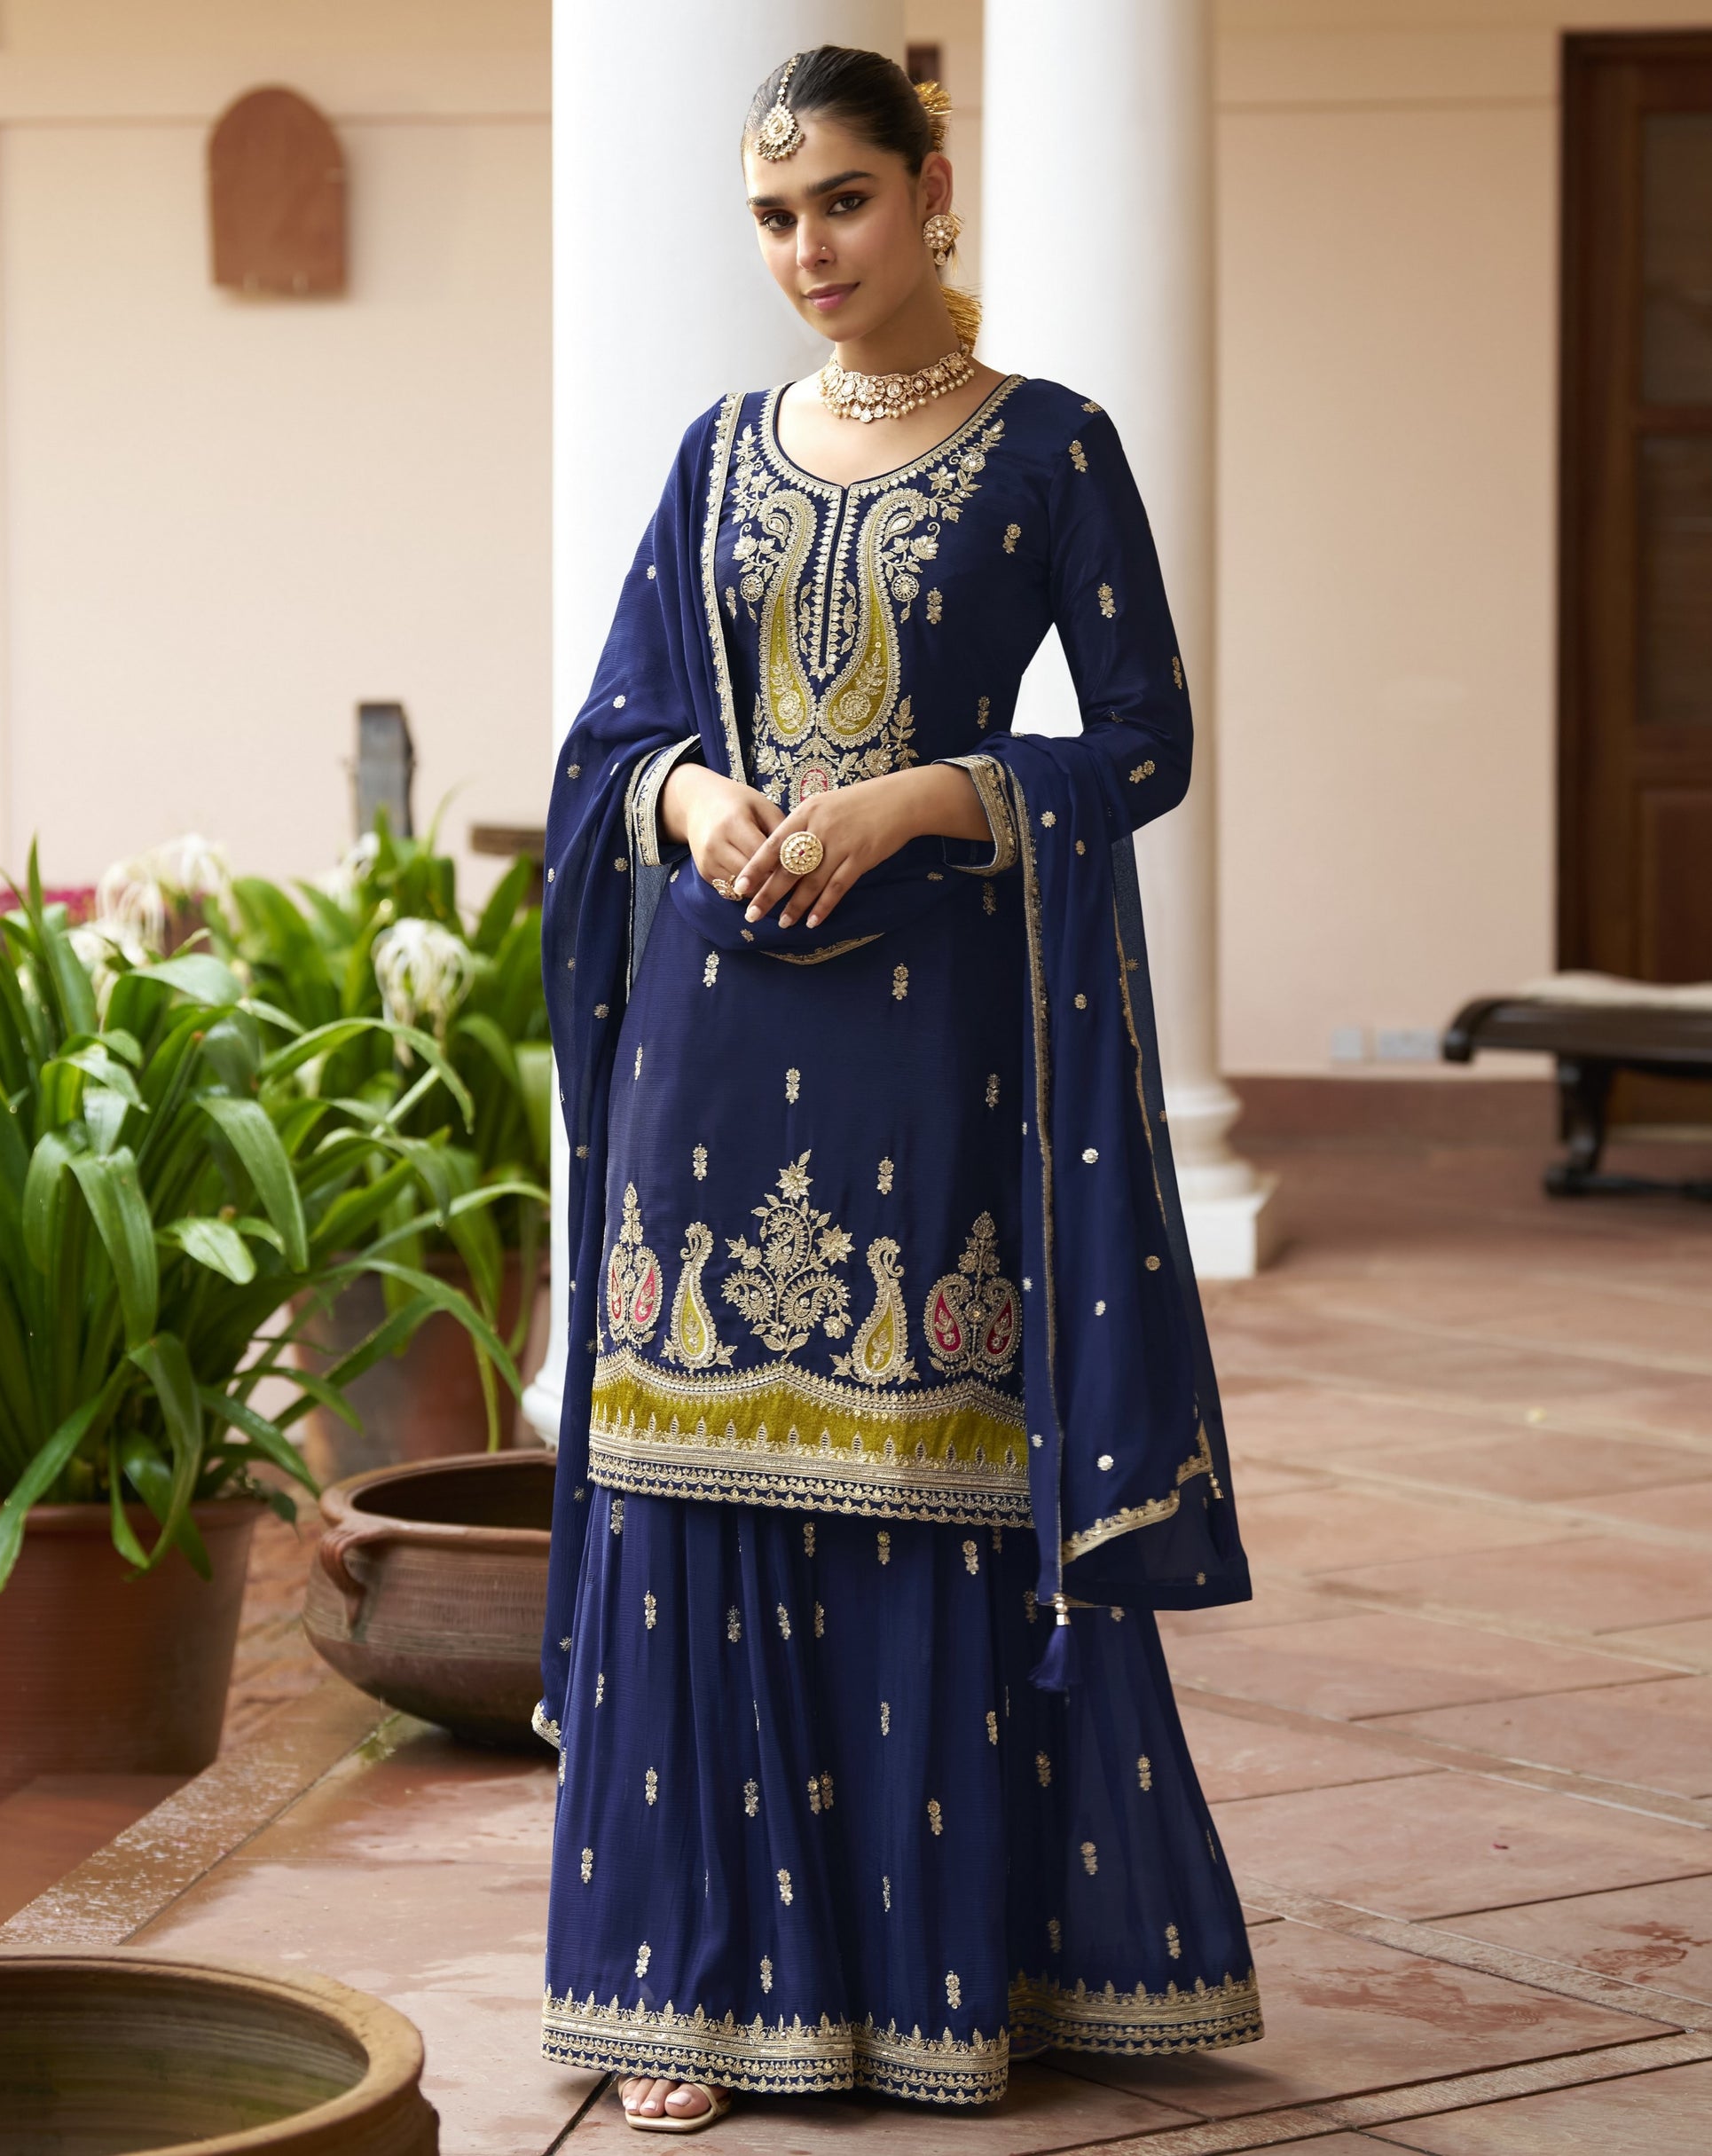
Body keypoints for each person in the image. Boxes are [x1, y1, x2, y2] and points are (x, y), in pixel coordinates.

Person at [532, 45, 1262, 2136]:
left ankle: (951, 1981)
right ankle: (692, 1997)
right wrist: (689, 802)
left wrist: (931, 798)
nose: (806, 252)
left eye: (842, 201)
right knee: (696, 1472)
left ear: (933, 190)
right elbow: (616, 733)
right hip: (713, 1027)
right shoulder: (710, 450)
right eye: (772, 218)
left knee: (919, 1466)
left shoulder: (1050, 448)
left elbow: (1140, 740)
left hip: (933, 1029)